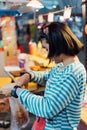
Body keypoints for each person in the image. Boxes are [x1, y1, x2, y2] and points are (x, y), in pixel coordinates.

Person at [0, 22, 86, 130]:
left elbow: (47, 108)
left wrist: (17, 91)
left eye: (47, 48)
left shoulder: (73, 73)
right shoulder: (62, 67)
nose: (47, 54)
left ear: (57, 45)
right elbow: (45, 75)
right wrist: (29, 76)